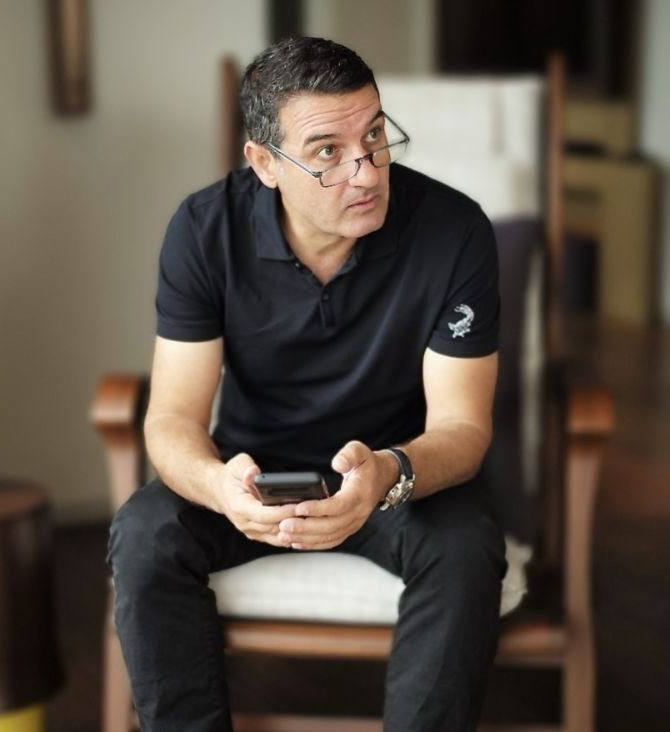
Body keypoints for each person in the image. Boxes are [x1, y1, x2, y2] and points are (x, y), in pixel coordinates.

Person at [108, 36, 507, 732]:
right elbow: (171, 417)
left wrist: (387, 473)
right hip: (252, 473)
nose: (367, 171)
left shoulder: (454, 230)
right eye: (328, 151)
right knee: (144, 534)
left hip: (394, 474)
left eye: (375, 135)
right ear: (265, 163)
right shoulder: (204, 230)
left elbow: (462, 429)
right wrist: (220, 488)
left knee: (466, 547)